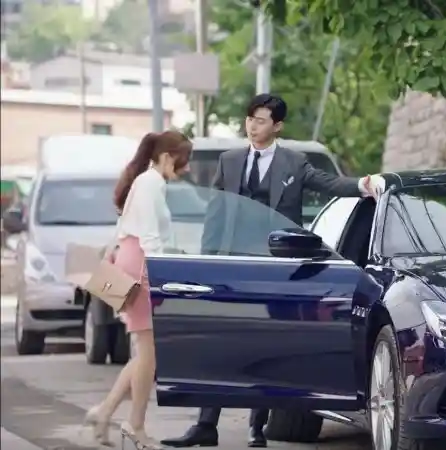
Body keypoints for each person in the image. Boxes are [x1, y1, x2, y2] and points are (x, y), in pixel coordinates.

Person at [160, 93, 385, 448]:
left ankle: (256, 428)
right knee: (219, 344)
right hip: (233, 265)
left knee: (264, 346)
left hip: (273, 267)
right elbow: (216, 214)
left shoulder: (293, 163)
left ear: (277, 126)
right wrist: (208, 263)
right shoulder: (230, 160)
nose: (252, 126)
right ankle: (205, 425)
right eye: (250, 119)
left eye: (261, 120)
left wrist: (363, 185)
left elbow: (329, 183)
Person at [83, 131, 193, 449]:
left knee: (147, 352)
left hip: (135, 262)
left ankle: (104, 412)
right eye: (184, 161)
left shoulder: (147, 182)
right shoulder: (150, 183)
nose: (186, 169)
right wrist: (160, 273)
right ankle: (135, 426)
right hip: (142, 266)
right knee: (149, 355)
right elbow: (149, 237)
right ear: (167, 157)